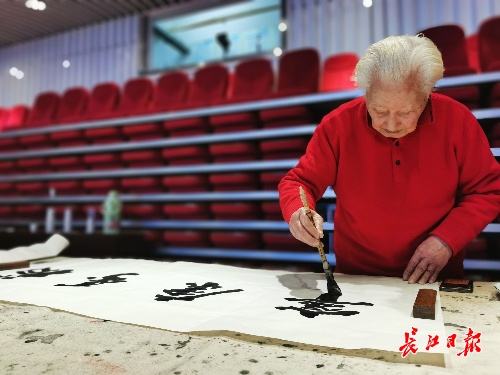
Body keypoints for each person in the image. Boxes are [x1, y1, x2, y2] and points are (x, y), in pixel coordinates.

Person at [278, 34, 500, 284]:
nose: (391, 125)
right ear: (366, 93)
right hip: (357, 278)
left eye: (406, 112)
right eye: (379, 111)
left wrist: (446, 240)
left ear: (427, 93)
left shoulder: (458, 121)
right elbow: (298, 182)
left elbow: (487, 191)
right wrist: (298, 211)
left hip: (434, 275)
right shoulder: (338, 125)